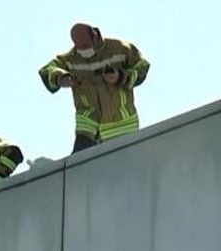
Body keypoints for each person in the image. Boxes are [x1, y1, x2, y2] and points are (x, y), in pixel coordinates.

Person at [39, 22, 150, 153]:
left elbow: (142, 66)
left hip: (121, 125)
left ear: (95, 36)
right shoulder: (72, 58)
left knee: (123, 167)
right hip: (88, 127)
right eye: (78, 46)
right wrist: (60, 77)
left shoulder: (120, 49)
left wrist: (120, 77)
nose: (82, 50)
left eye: (85, 46)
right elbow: (47, 70)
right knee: (80, 166)